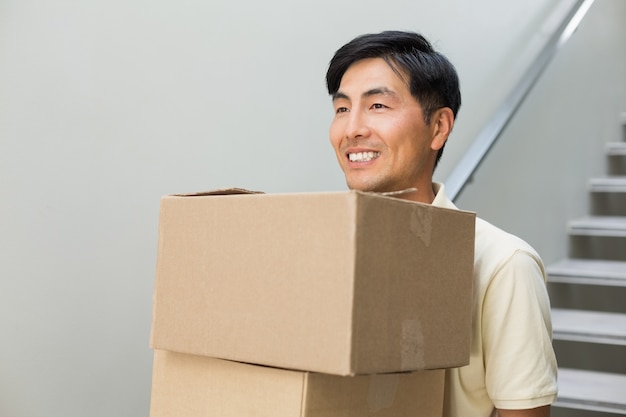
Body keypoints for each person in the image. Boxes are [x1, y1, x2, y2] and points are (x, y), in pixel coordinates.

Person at [325, 30, 558, 417]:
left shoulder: (503, 264)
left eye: (378, 106)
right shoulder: (325, 249)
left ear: (439, 127)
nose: (352, 129)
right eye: (342, 109)